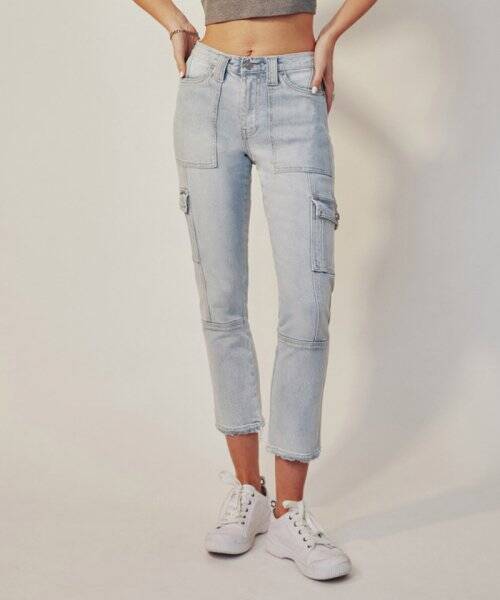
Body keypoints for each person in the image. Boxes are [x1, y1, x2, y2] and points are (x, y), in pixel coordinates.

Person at [132, 0, 377, 580]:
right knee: (222, 304)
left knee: (306, 308)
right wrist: (174, 23)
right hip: (208, 89)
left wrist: (331, 35)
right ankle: (249, 491)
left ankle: (291, 511)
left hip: (296, 86)